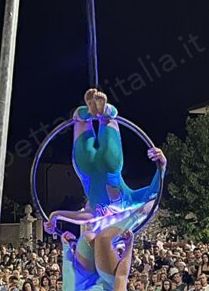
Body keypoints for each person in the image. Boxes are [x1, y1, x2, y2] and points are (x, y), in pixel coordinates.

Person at [44, 89, 166, 234]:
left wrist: (162, 165)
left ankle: (104, 110)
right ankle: (90, 110)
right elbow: (79, 218)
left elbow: (154, 194)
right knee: (80, 119)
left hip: (110, 163)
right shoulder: (95, 213)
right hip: (86, 166)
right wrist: (55, 216)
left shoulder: (127, 202)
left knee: (108, 119)